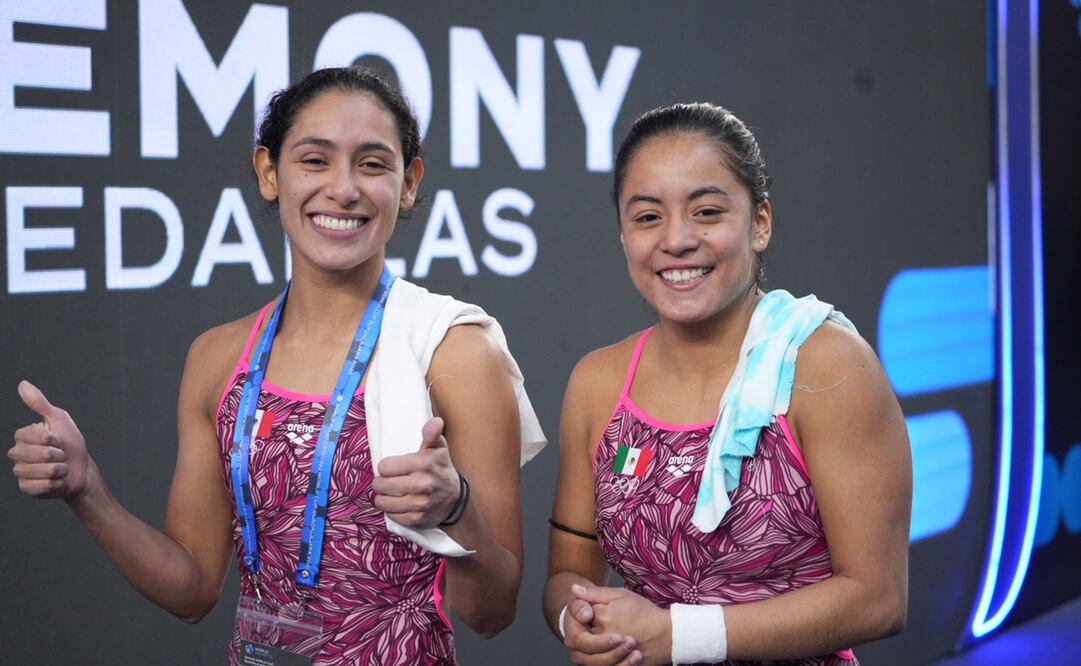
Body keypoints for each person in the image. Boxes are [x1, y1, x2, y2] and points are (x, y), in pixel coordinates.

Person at [9, 66, 544, 665]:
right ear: (269, 172)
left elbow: (492, 614)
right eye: (314, 160)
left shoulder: (456, 352)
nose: (343, 189)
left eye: (372, 164)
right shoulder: (218, 359)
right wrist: (88, 493)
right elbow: (190, 589)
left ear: (410, 181)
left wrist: (457, 510)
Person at [543, 103, 911, 666]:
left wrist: (677, 637)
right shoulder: (598, 382)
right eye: (647, 218)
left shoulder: (828, 366)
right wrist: (581, 621)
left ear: (760, 222)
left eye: (707, 212)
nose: (677, 240)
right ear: (623, 237)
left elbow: (878, 599)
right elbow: (568, 571)